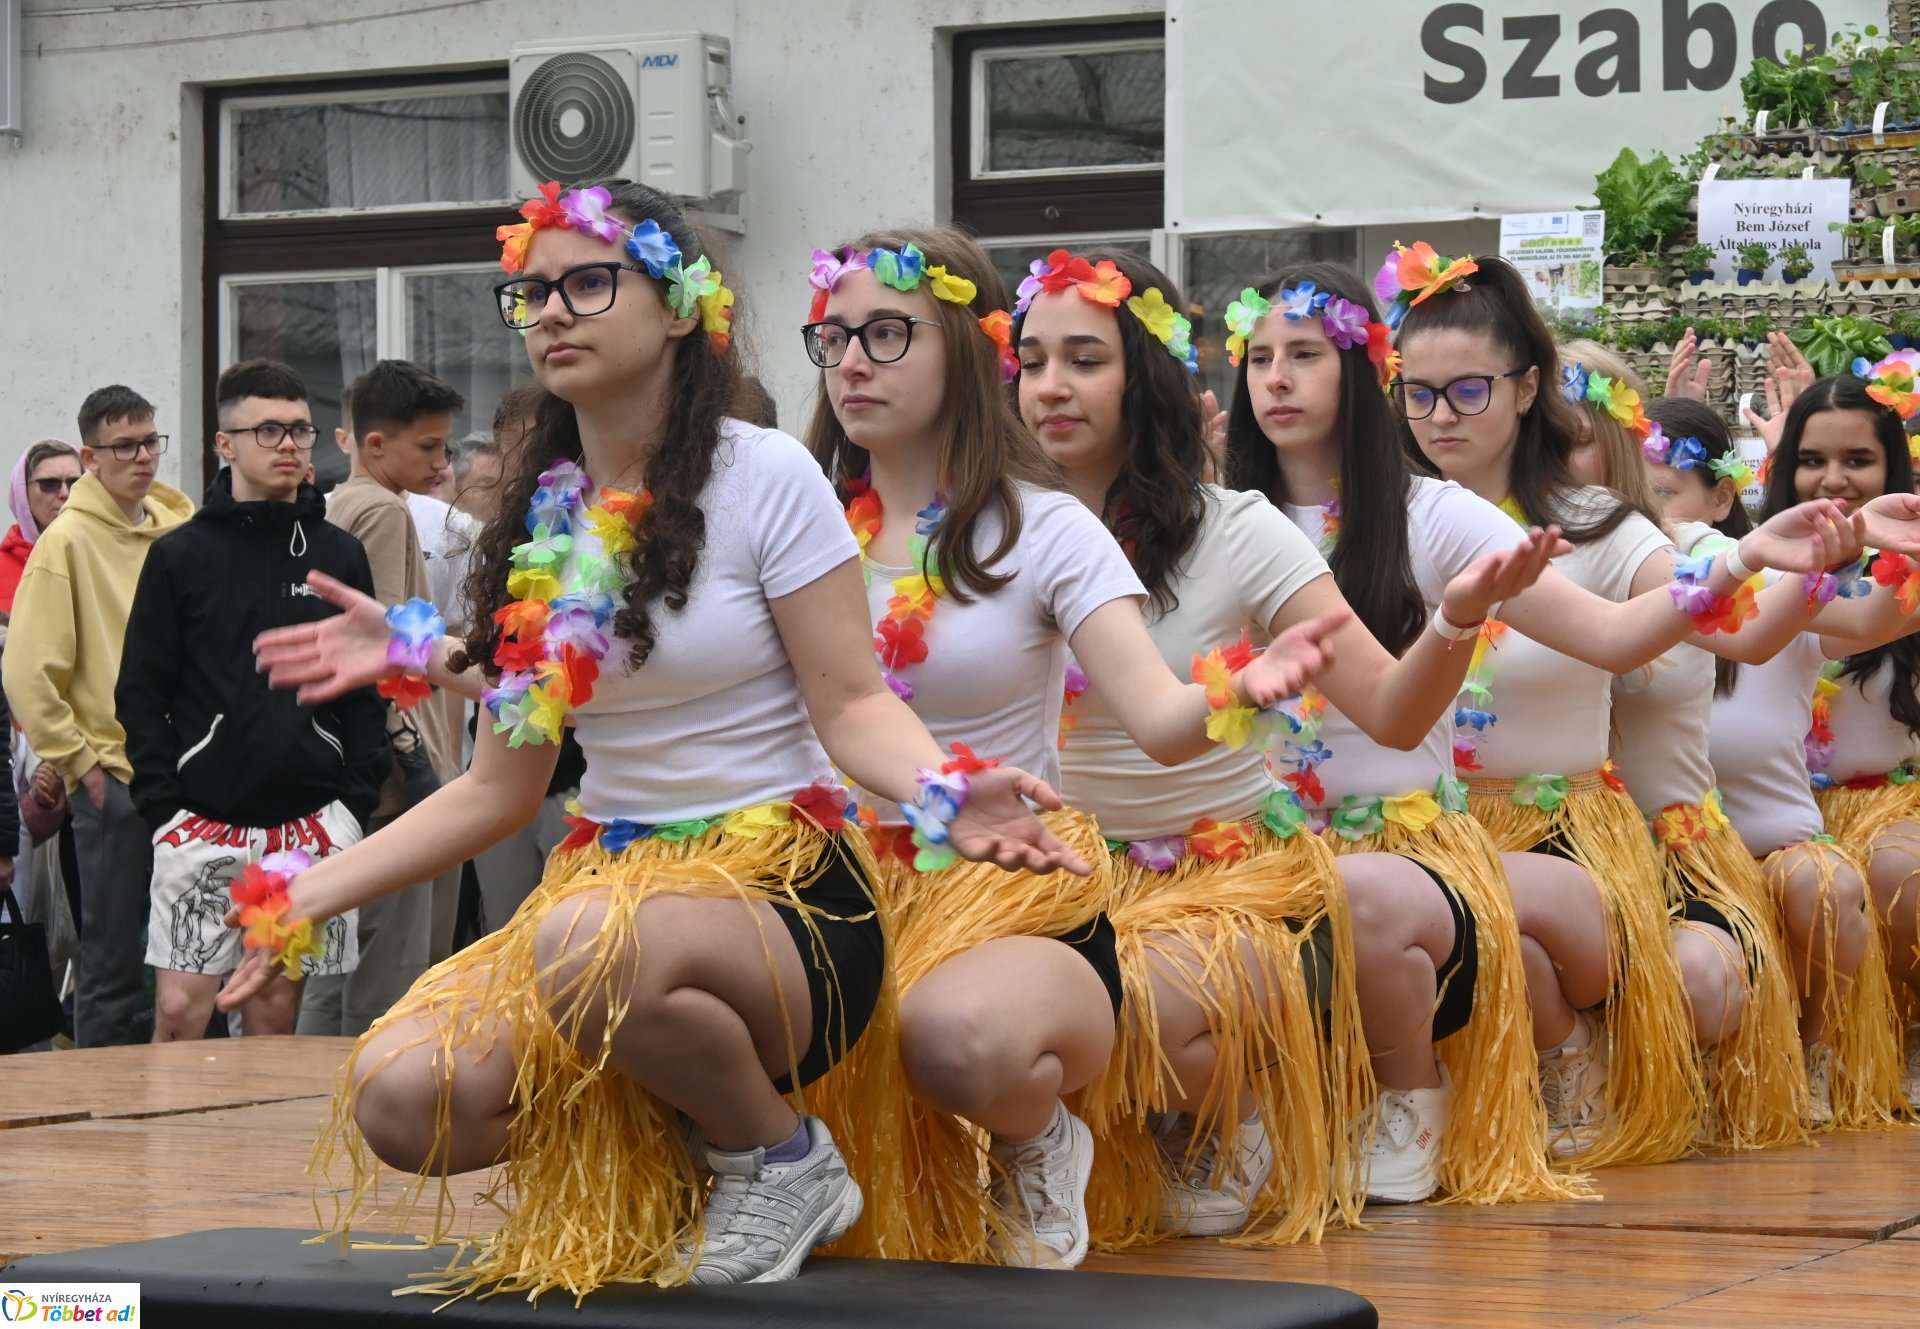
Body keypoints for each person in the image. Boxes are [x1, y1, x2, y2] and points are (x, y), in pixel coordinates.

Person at [234, 177, 1109, 1294]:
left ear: (682, 303)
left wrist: (944, 787)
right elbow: (501, 792)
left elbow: (851, 703)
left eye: (589, 283)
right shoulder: (543, 518)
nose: (551, 311)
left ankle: (781, 1159)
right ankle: (665, 1131)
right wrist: (305, 893)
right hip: (601, 893)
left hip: (787, 899)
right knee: (406, 1101)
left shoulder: (769, 476)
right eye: (531, 293)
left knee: (593, 944)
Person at [797, 231, 1347, 1268]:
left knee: (957, 1042)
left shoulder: (1044, 530)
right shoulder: (800, 524)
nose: (852, 363)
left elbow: (1153, 714)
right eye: (833, 339)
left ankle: (1039, 1139)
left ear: (964, 347)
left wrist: (1236, 689)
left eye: (884, 333)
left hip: (1003, 889)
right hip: (835, 874)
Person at [1019, 248, 1565, 1231]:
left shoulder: (1244, 531)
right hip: (1050, 871)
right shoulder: (985, 535)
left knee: (1123, 1003)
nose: (1051, 385)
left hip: (1217, 884)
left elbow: (1395, 713)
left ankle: (1238, 1088)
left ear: (1145, 372)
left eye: (1086, 358)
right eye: (1031, 358)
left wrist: (1453, 621)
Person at [1381, 247, 1871, 1165]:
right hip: (1426, 825)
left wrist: (1776, 560)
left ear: (1527, 389)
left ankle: (1576, 1052)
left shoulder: (1603, 524)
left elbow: (1740, 636)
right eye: (1419, 392)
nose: (1441, 416)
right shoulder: (1381, 520)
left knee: (1640, 970)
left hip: (1564, 830)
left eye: (1470, 391)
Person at [114, 360, 388, 1042]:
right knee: (181, 1011)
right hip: (201, 823)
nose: (290, 443)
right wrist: (163, 809)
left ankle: (257, 1153)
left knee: (271, 1016)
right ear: (225, 443)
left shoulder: (339, 554)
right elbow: (140, 691)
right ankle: (172, 1151)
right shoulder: (180, 556)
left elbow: (365, 692)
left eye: (300, 428)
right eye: (268, 429)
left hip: (306, 829)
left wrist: (351, 807)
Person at [3, 386, 193, 1046]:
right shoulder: (67, 543)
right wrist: (80, 762)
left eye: (150, 441)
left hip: (188, 769)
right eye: (124, 445)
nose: (143, 457)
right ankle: (101, 1117)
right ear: (91, 456)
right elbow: (27, 671)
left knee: (196, 957)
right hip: (111, 777)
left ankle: (187, 1103)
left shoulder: (177, 531)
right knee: (109, 965)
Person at [302, 361, 463, 1034]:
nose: (440, 461)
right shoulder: (385, 510)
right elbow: (387, 650)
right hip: (399, 772)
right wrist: (414, 763)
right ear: (375, 445)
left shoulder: (340, 502)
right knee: (395, 972)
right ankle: (366, 1118)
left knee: (335, 962)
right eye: (427, 446)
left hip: (357, 771)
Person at [1, 439, 83, 613]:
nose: (65, 493)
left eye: (75, 483)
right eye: (49, 484)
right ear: (22, 492)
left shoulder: (105, 555)